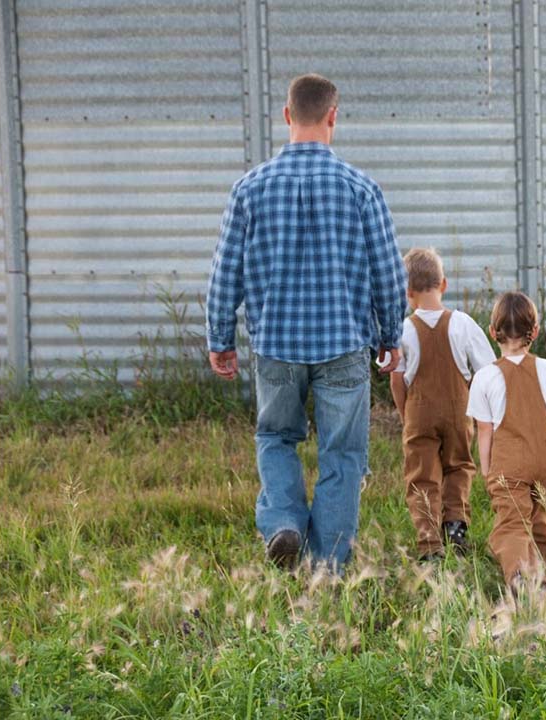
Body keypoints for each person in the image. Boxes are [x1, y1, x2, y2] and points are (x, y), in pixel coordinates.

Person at [206, 73, 406, 571]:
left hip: (275, 344)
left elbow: (224, 270)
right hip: (344, 345)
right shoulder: (362, 189)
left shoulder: (248, 189)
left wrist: (220, 337)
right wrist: (390, 336)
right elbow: (387, 270)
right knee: (342, 455)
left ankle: (284, 525)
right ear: (333, 117)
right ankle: (328, 567)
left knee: (276, 437)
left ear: (286, 116)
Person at [390, 247, 496, 561]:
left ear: (407, 293)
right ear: (444, 285)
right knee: (459, 466)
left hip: (418, 411)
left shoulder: (404, 329)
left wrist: (404, 410)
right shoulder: (463, 323)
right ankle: (455, 527)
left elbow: (397, 379)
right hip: (458, 409)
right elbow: (487, 371)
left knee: (421, 474)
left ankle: (429, 544)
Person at [467, 292, 546, 589]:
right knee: (540, 514)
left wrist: (487, 468)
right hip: (545, 458)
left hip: (509, 464)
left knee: (513, 522)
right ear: (535, 332)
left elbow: (484, 429)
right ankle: (541, 572)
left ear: (492, 332)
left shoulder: (485, 377)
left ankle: (519, 575)